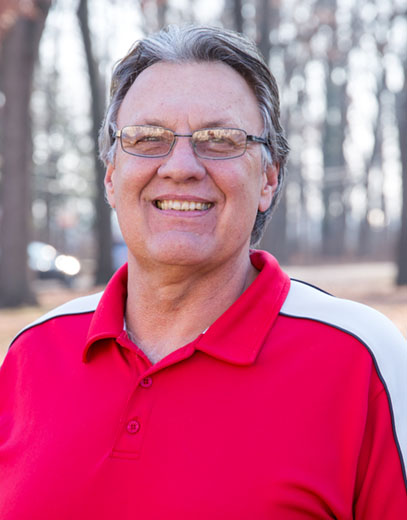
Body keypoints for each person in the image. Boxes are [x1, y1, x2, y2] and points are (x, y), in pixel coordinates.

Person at [0, 24, 406, 520]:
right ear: (111, 177)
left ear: (268, 181)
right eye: (148, 138)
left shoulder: (361, 359)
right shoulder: (32, 355)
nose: (181, 165)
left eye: (220, 139)